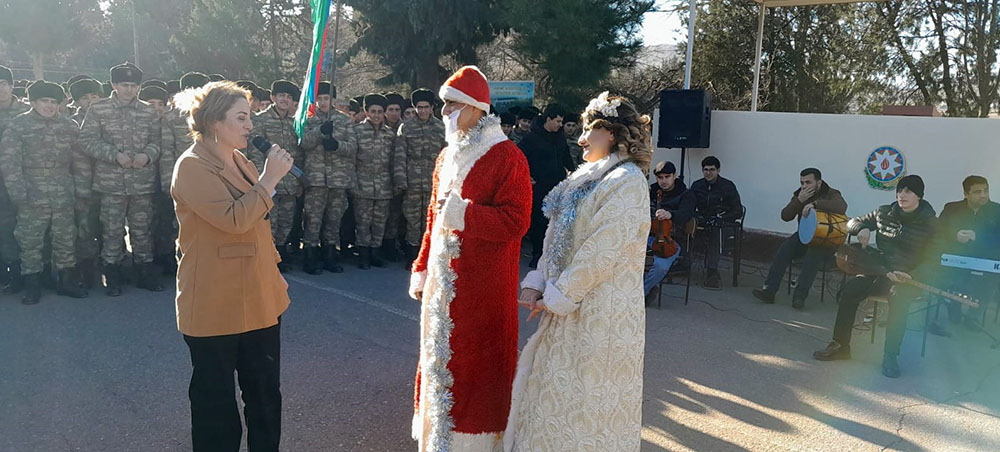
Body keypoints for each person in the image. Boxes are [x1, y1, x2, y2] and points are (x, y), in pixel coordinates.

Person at [506, 92, 650, 451]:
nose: (581, 138)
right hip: (569, 307)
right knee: (556, 397)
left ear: (613, 134)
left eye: (591, 130)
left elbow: (601, 251)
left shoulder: (626, 181)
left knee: (590, 402)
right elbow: (556, 239)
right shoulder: (586, 178)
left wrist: (557, 295)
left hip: (603, 314)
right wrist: (537, 282)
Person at [408, 66, 532, 452]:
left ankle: (475, 443)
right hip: (442, 287)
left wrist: (465, 214)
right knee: (439, 361)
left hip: (483, 288)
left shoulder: (507, 156)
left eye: (452, 104)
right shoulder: (445, 157)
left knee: (478, 368)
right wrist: (423, 266)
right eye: (444, 104)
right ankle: (436, 439)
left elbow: (517, 221)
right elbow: (433, 216)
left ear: (478, 108)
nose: (444, 112)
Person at [171, 81, 292, 452]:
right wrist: (270, 178)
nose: (250, 126)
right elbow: (234, 219)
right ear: (213, 122)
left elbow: (257, 220)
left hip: (259, 299)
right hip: (215, 304)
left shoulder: (240, 159)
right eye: (241, 118)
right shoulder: (191, 167)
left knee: (265, 401)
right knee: (215, 408)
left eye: (249, 117)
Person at [813, 175, 937, 378]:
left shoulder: (931, 223)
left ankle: (890, 355)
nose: (901, 195)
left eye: (908, 191)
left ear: (919, 197)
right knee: (850, 289)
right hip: (879, 269)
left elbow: (934, 259)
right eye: (899, 190)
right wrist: (861, 229)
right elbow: (852, 222)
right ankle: (840, 345)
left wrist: (912, 274)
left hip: (909, 276)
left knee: (898, 299)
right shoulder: (884, 212)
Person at [79, 62, 165, 296]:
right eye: (124, 85)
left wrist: (146, 156)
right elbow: (86, 140)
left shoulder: (148, 111)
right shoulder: (99, 110)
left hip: (141, 181)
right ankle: (112, 273)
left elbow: (158, 141)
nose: (129, 89)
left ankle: (144, 272)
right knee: (112, 230)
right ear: (114, 85)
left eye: (134, 85)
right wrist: (113, 155)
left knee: (142, 229)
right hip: (111, 183)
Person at [0, 81, 89, 304]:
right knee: (30, 239)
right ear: (33, 102)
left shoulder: (69, 126)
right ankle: (33, 284)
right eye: (44, 101)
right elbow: (10, 162)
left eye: (53, 102)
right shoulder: (19, 125)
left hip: (62, 189)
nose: (49, 106)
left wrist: (81, 191)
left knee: (65, 237)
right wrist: (18, 193)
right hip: (32, 190)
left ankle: (65, 281)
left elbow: (79, 162)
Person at [753, 168, 847, 309]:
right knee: (785, 248)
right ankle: (769, 291)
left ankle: (799, 297)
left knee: (813, 255)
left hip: (826, 240)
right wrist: (799, 201)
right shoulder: (800, 194)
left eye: (808, 182)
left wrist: (814, 204)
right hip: (804, 236)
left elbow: (842, 206)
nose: (804, 186)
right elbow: (785, 216)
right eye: (802, 182)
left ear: (819, 182)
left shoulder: (831, 193)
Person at [927, 175, 1000, 336]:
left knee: (991, 281)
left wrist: (977, 236)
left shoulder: (997, 210)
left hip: (986, 259)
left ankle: (973, 316)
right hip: (957, 258)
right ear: (966, 194)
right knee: (953, 278)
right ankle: (955, 305)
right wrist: (955, 235)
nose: (983, 195)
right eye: (977, 192)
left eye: (986, 191)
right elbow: (938, 230)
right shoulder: (951, 208)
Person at [299, 81, 357, 274]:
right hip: (316, 179)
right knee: (313, 219)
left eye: (327, 98)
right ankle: (310, 257)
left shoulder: (345, 120)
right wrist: (319, 132)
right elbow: (303, 143)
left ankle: (330, 255)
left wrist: (336, 145)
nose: (323, 102)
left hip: (338, 179)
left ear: (333, 100)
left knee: (334, 219)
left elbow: (353, 147)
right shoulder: (308, 119)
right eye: (320, 99)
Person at [158, 72, 211, 276]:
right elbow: (166, 151)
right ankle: (184, 264)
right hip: (183, 179)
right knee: (181, 225)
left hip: (209, 178)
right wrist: (167, 183)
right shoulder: (171, 118)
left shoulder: (212, 116)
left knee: (207, 223)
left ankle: (205, 264)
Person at [247, 80, 304, 271]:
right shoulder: (260, 121)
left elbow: (298, 153)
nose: (285, 100)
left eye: (289, 97)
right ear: (273, 97)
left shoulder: (294, 123)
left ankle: (280, 253)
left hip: (289, 182)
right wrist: (258, 180)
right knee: (269, 221)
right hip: (268, 182)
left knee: (286, 221)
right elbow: (254, 153)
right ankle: (267, 257)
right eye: (281, 96)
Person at [518, 104, 576, 268]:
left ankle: (553, 255)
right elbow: (519, 158)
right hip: (539, 186)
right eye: (557, 121)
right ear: (548, 119)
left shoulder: (560, 137)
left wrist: (575, 172)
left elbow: (566, 157)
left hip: (558, 184)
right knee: (539, 221)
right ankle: (537, 253)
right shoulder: (531, 138)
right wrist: (526, 176)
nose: (560, 125)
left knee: (555, 220)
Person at [395, 88, 446, 267]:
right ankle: (413, 255)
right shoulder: (406, 127)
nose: (422, 111)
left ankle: (428, 256)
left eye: (426, 107)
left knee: (431, 219)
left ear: (432, 107)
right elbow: (400, 156)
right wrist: (401, 180)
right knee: (412, 220)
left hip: (434, 182)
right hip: (412, 182)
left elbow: (447, 156)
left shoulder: (441, 127)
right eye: (419, 107)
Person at [353, 93, 400, 269]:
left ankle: (375, 253)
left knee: (380, 222)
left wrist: (395, 183)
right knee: (363, 222)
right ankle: (363, 255)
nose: (376, 115)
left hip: (384, 185)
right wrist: (353, 183)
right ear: (366, 112)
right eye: (373, 111)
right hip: (362, 183)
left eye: (380, 112)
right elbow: (351, 160)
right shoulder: (356, 132)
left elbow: (395, 160)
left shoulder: (390, 134)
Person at [68, 78, 105, 287]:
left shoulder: (111, 119)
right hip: (82, 185)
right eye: (84, 97)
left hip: (109, 183)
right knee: (85, 228)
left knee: (109, 227)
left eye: (94, 96)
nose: (90, 101)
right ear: (76, 101)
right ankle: (86, 270)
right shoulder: (72, 123)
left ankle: (113, 265)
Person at [644, 160, 695, 303]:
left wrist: (671, 214)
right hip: (647, 236)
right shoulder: (652, 191)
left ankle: (641, 293)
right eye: (660, 178)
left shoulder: (686, 194)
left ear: (675, 176)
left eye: (667, 177)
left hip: (671, 240)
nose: (664, 181)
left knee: (660, 266)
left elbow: (686, 215)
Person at [690, 155, 742, 289]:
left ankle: (712, 273)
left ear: (718, 170)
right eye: (705, 170)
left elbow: (738, 211)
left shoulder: (728, 186)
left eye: (712, 169)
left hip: (723, 224)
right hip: (702, 221)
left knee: (715, 231)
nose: (708, 173)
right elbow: (688, 205)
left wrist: (722, 218)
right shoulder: (697, 185)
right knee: (684, 225)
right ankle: (682, 264)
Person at [0, 64, 30, 293]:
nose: (0, 89)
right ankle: (9, 271)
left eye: (3, 84)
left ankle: (31, 271)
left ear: (11, 86)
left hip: (27, 178)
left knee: (29, 226)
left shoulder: (29, 111)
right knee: (5, 226)